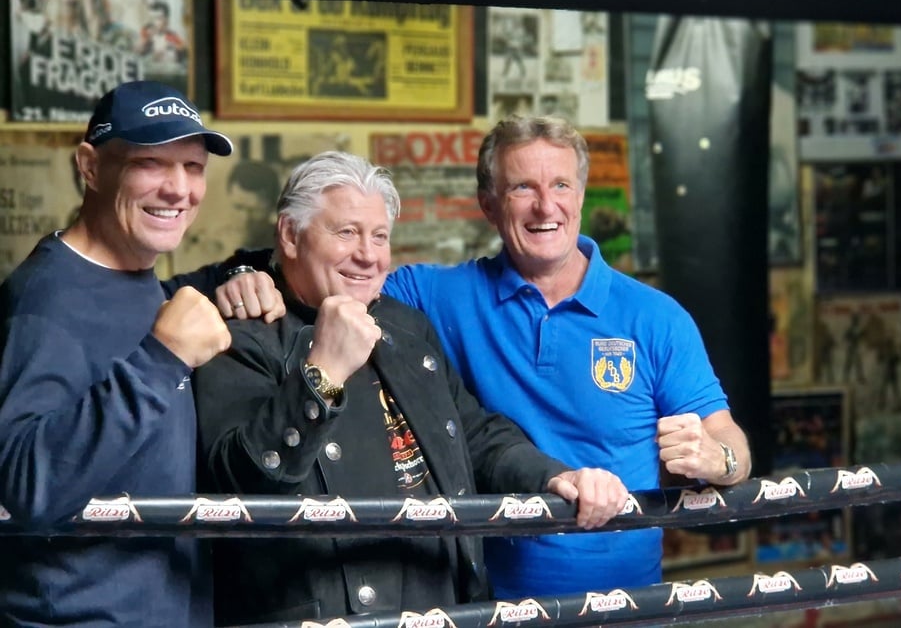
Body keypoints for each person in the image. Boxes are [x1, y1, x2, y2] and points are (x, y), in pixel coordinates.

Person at [194, 151, 629, 624]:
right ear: (290, 236)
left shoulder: (405, 325)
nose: (368, 254)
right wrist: (321, 375)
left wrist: (552, 475)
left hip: (444, 600)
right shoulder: (241, 333)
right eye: (346, 233)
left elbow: (473, 434)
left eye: (379, 236)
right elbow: (235, 483)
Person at [381, 114, 753, 598]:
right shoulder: (439, 294)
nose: (545, 206)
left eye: (561, 184)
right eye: (522, 188)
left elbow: (732, 444)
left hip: (624, 605)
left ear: (579, 196)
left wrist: (717, 458)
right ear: (488, 205)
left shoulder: (655, 317)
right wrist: (250, 270)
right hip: (487, 606)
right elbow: (334, 272)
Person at [0, 80, 282, 627]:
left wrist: (242, 274)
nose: (179, 189)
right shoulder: (44, 301)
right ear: (89, 166)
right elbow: (23, 484)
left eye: (193, 167)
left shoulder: (137, 279)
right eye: (151, 163)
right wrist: (162, 358)